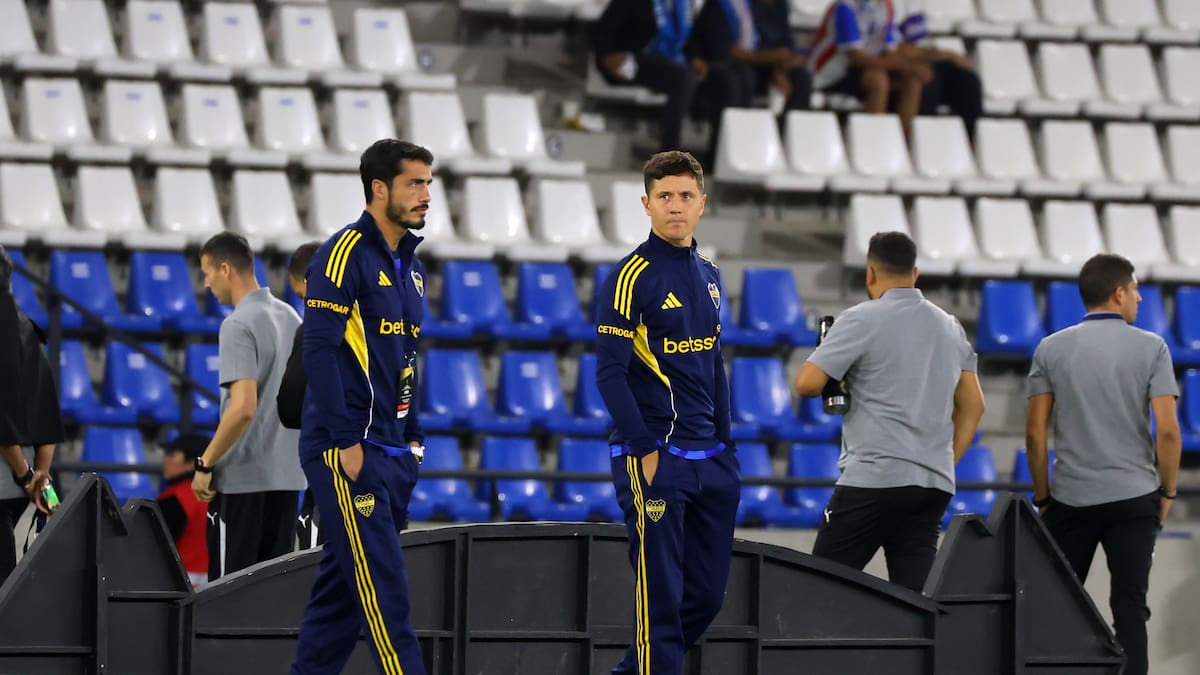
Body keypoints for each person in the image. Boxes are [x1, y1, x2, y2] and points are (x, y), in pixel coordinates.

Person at [594, 150, 741, 675]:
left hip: (712, 460)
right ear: (646, 204)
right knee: (660, 605)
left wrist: (728, 447)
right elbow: (608, 374)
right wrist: (646, 451)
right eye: (664, 197)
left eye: (684, 196)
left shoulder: (711, 276)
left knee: (704, 599)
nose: (675, 206)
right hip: (657, 456)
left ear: (703, 202)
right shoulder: (630, 276)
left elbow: (713, 363)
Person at [291, 139, 432, 675]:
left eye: (427, 183)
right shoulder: (342, 250)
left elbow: (405, 358)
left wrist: (413, 437)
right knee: (386, 594)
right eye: (413, 183)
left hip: (392, 449)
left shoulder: (412, 267)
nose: (425, 195)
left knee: (342, 599)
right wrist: (347, 441)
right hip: (347, 448)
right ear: (379, 188)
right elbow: (320, 350)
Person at [793, 232, 984, 592]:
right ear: (915, 273)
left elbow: (807, 384)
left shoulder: (862, 318)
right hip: (931, 484)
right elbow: (974, 405)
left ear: (870, 273)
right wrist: (945, 460)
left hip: (874, 478)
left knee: (816, 591)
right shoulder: (950, 326)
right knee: (916, 602)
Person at [1025, 254, 1180, 675]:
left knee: (1057, 609)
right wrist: (1167, 490)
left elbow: (1036, 434)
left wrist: (1043, 496)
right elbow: (1167, 431)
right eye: (1134, 289)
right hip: (1134, 498)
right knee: (1130, 611)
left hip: (1071, 500)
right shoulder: (1152, 347)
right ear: (1118, 293)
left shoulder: (1050, 348)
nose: (1140, 297)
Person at [192, 232, 306, 581]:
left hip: (242, 482)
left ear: (225, 268)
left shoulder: (237, 324)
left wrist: (205, 462)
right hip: (288, 481)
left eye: (208, 274)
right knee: (268, 600)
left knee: (227, 599)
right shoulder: (292, 318)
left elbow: (243, 408)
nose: (207, 284)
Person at [592, 0, 740, 162]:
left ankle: (716, 159)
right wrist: (605, 57)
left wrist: (694, 57)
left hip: (673, 61)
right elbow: (602, 30)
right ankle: (669, 154)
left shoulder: (685, 4)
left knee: (725, 81)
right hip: (634, 59)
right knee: (682, 77)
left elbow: (688, 37)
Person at [0, 245, 59, 584]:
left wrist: (24, 474)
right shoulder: (29, 330)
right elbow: (46, 412)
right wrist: (41, 476)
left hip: (17, 482)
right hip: (28, 493)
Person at [807, 0, 930, 137]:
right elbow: (856, 56)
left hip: (867, 67)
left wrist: (908, 68)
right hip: (831, 71)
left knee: (912, 78)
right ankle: (873, 139)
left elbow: (889, 50)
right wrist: (903, 65)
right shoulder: (845, 7)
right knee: (877, 79)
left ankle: (904, 141)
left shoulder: (886, 6)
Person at [686, 0, 813, 118]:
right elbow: (723, 50)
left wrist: (779, 70)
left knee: (800, 78)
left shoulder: (773, 5)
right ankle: (734, 134)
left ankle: (785, 134)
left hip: (762, 66)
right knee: (742, 75)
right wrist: (770, 58)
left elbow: (784, 47)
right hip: (723, 66)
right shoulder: (723, 5)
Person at [277, 241, 323, 550]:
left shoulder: (314, 329)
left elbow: (290, 406)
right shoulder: (381, 323)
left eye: (303, 296)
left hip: (332, 468)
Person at [892, 0, 983, 138]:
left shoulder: (915, 4)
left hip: (927, 56)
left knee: (968, 81)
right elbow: (894, 49)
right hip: (900, 62)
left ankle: (972, 141)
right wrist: (948, 55)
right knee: (927, 77)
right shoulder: (889, 6)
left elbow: (919, 41)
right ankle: (924, 141)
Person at [156, 432, 212, 587]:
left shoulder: (176, 498)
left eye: (172, 455)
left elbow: (155, 549)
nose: (165, 460)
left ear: (191, 462)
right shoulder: (223, 494)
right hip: (216, 587)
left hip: (178, 587)